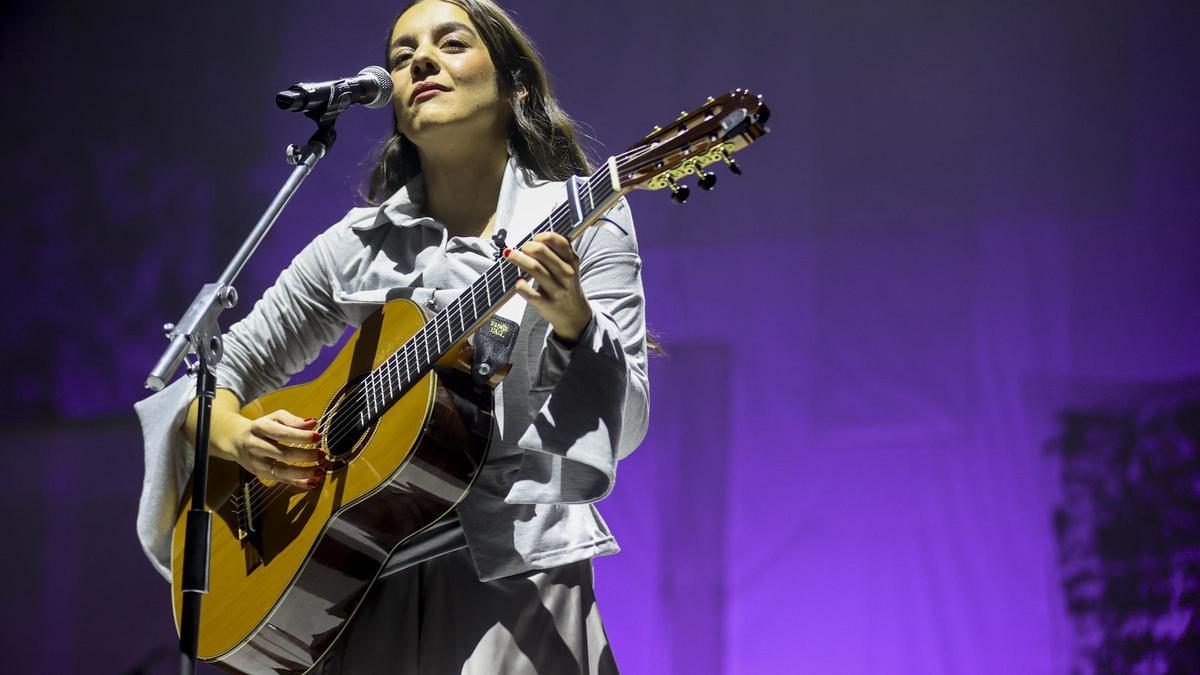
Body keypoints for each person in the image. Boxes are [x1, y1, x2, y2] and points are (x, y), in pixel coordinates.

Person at [133, 0, 649, 672]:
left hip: (513, 583)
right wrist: (232, 434)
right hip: (357, 586)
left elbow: (628, 421)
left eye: (451, 43)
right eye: (402, 56)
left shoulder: (587, 221)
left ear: (515, 86)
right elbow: (215, 374)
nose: (420, 62)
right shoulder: (355, 245)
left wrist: (575, 322)